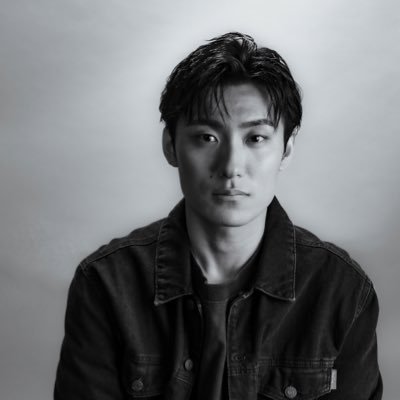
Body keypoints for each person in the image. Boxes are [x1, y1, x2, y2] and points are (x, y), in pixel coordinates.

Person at [54, 32, 382, 399]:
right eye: (206, 137)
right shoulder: (107, 285)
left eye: (256, 138)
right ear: (170, 146)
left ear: (286, 150)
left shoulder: (342, 291)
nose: (231, 167)